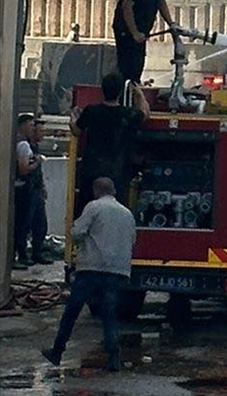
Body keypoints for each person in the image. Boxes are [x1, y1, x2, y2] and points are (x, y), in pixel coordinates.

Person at [42, 177, 136, 372]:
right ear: (114, 191)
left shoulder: (94, 207)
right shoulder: (127, 213)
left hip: (91, 268)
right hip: (117, 270)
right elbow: (132, 240)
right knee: (110, 314)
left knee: (72, 311)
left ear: (96, 191)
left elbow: (77, 233)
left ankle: (57, 352)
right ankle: (114, 359)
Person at [71, 73, 150, 212]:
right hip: (118, 173)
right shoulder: (128, 114)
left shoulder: (92, 111)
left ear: (103, 90)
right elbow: (144, 113)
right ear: (120, 92)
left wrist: (73, 117)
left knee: (88, 211)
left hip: (92, 172)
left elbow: (76, 130)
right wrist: (139, 94)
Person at [112, 0, 175, 84]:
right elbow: (127, 8)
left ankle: (135, 85)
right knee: (127, 65)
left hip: (142, 30)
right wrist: (134, 32)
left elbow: (160, 1)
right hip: (126, 29)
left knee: (138, 63)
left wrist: (171, 23)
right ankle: (126, 89)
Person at [14, 113, 51, 267]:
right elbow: (23, 169)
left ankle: (36, 253)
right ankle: (22, 255)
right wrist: (38, 162)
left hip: (34, 188)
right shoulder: (23, 145)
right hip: (27, 189)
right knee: (24, 224)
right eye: (33, 127)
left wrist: (41, 185)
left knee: (39, 223)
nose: (41, 133)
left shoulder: (31, 146)